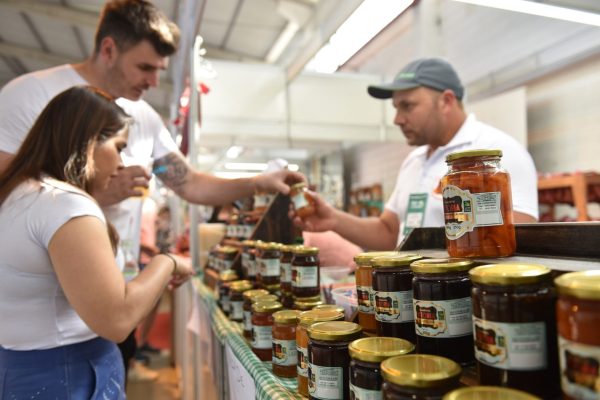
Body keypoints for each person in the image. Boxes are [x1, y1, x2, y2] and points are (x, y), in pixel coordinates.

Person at [0, 0, 303, 378]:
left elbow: (188, 181)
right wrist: (92, 195)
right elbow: (13, 196)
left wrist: (258, 182)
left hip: (118, 294)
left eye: (160, 70)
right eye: (145, 67)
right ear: (108, 49)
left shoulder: (142, 117)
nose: (154, 82)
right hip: (47, 329)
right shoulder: (26, 97)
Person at [0, 86, 194, 399]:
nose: (121, 162)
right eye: (118, 147)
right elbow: (117, 319)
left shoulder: (19, 194)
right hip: (67, 373)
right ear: (89, 142)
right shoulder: (65, 205)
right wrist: (167, 262)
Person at [293, 58, 538, 250]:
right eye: (396, 108)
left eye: (407, 106)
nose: (397, 119)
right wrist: (334, 219)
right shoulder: (414, 161)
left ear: (446, 101)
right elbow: (390, 232)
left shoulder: (497, 153)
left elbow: (518, 237)